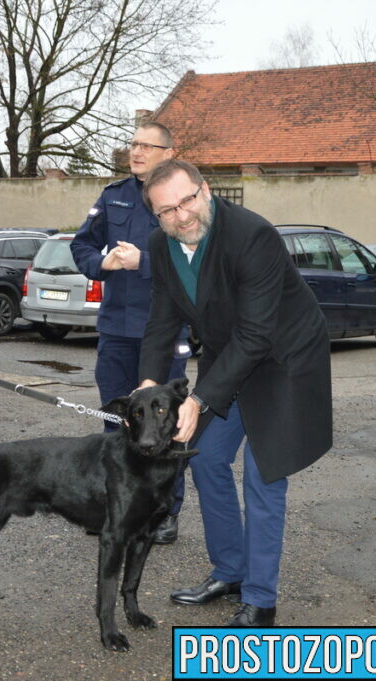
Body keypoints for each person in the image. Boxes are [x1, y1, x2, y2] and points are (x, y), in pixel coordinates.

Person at [136, 159, 332, 627]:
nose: (181, 215)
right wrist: (147, 384)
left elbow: (256, 335)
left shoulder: (252, 236)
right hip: (230, 358)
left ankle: (261, 602)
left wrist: (198, 399)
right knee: (204, 459)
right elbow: (162, 320)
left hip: (284, 359)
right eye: (167, 211)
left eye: (187, 201)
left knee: (264, 476)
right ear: (156, 216)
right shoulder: (161, 246)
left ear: (205, 190)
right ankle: (230, 573)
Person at [70, 122, 191, 544]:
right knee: (115, 422)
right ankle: (115, 508)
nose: (136, 151)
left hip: (163, 332)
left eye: (146, 146)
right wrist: (101, 264)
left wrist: (145, 262)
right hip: (117, 331)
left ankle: (164, 512)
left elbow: (194, 259)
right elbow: (81, 245)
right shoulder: (113, 195)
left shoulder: (182, 199)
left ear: (168, 153)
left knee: (165, 426)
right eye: (133, 143)